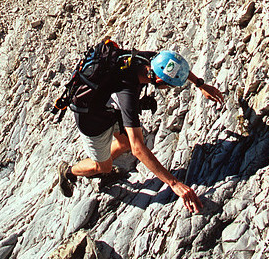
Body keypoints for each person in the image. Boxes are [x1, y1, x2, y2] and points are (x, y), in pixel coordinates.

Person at [57, 48, 224, 213]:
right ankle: (69, 172)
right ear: (159, 82)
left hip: (109, 106)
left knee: (125, 143)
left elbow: (175, 67)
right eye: (169, 86)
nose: (169, 89)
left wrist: (200, 84)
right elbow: (138, 149)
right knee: (104, 167)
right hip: (92, 119)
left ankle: (102, 161)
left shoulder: (151, 61)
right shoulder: (127, 90)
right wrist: (174, 184)